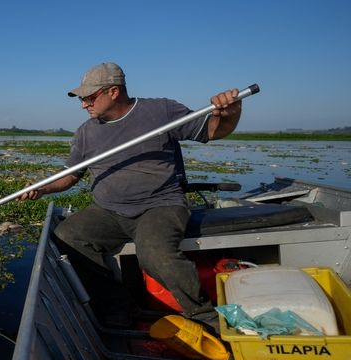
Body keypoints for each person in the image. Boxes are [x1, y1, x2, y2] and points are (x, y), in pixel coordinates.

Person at [18, 62, 243, 330]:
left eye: (89, 97)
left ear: (113, 92)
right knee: (68, 236)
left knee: (155, 254)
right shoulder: (86, 132)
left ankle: (205, 317)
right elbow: (71, 175)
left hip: (160, 206)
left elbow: (213, 130)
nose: (83, 105)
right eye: (81, 99)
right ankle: (118, 305)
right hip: (108, 211)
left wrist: (229, 113)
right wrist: (42, 188)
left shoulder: (161, 110)